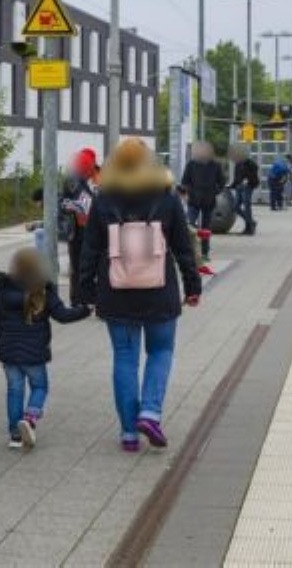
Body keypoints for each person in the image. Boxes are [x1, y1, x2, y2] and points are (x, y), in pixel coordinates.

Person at [77, 139, 202, 452]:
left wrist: (85, 289)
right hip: (159, 292)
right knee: (161, 351)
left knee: (124, 357)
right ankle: (150, 412)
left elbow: (89, 249)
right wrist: (193, 285)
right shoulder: (167, 198)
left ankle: (129, 433)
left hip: (116, 291)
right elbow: (183, 247)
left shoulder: (103, 200)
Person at [0, 248, 90, 449]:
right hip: (35, 353)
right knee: (40, 387)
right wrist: (84, 310)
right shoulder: (43, 291)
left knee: (14, 391)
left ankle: (15, 435)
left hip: (9, 352)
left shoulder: (2, 292)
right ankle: (30, 417)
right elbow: (63, 315)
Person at [59, 149, 99, 302]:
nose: (89, 172)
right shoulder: (73, 179)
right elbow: (85, 204)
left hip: (93, 230)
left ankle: (88, 299)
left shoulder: (98, 177)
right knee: (78, 267)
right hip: (77, 232)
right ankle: (78, 301)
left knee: (91, 266)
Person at [179, 141, 225, 262]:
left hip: (209, 201)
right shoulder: (191, 164)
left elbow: (221, 182)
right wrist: (186, 193)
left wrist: (214, 192)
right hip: (193, 200)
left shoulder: (215, 165)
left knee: (206, 228)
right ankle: (191, 252)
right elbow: (184, 181)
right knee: (190, 226)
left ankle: (205, 252)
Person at [229, 147, 260, 236]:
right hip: (239, 187)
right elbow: (237, 177)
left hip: (247, 187)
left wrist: (248, 180)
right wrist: (231, 186)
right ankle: (251, 222)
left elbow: (254, 173)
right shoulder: (238, 164)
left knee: (247, 206)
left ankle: (249, 228)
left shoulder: (250, 163)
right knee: (235, 206)